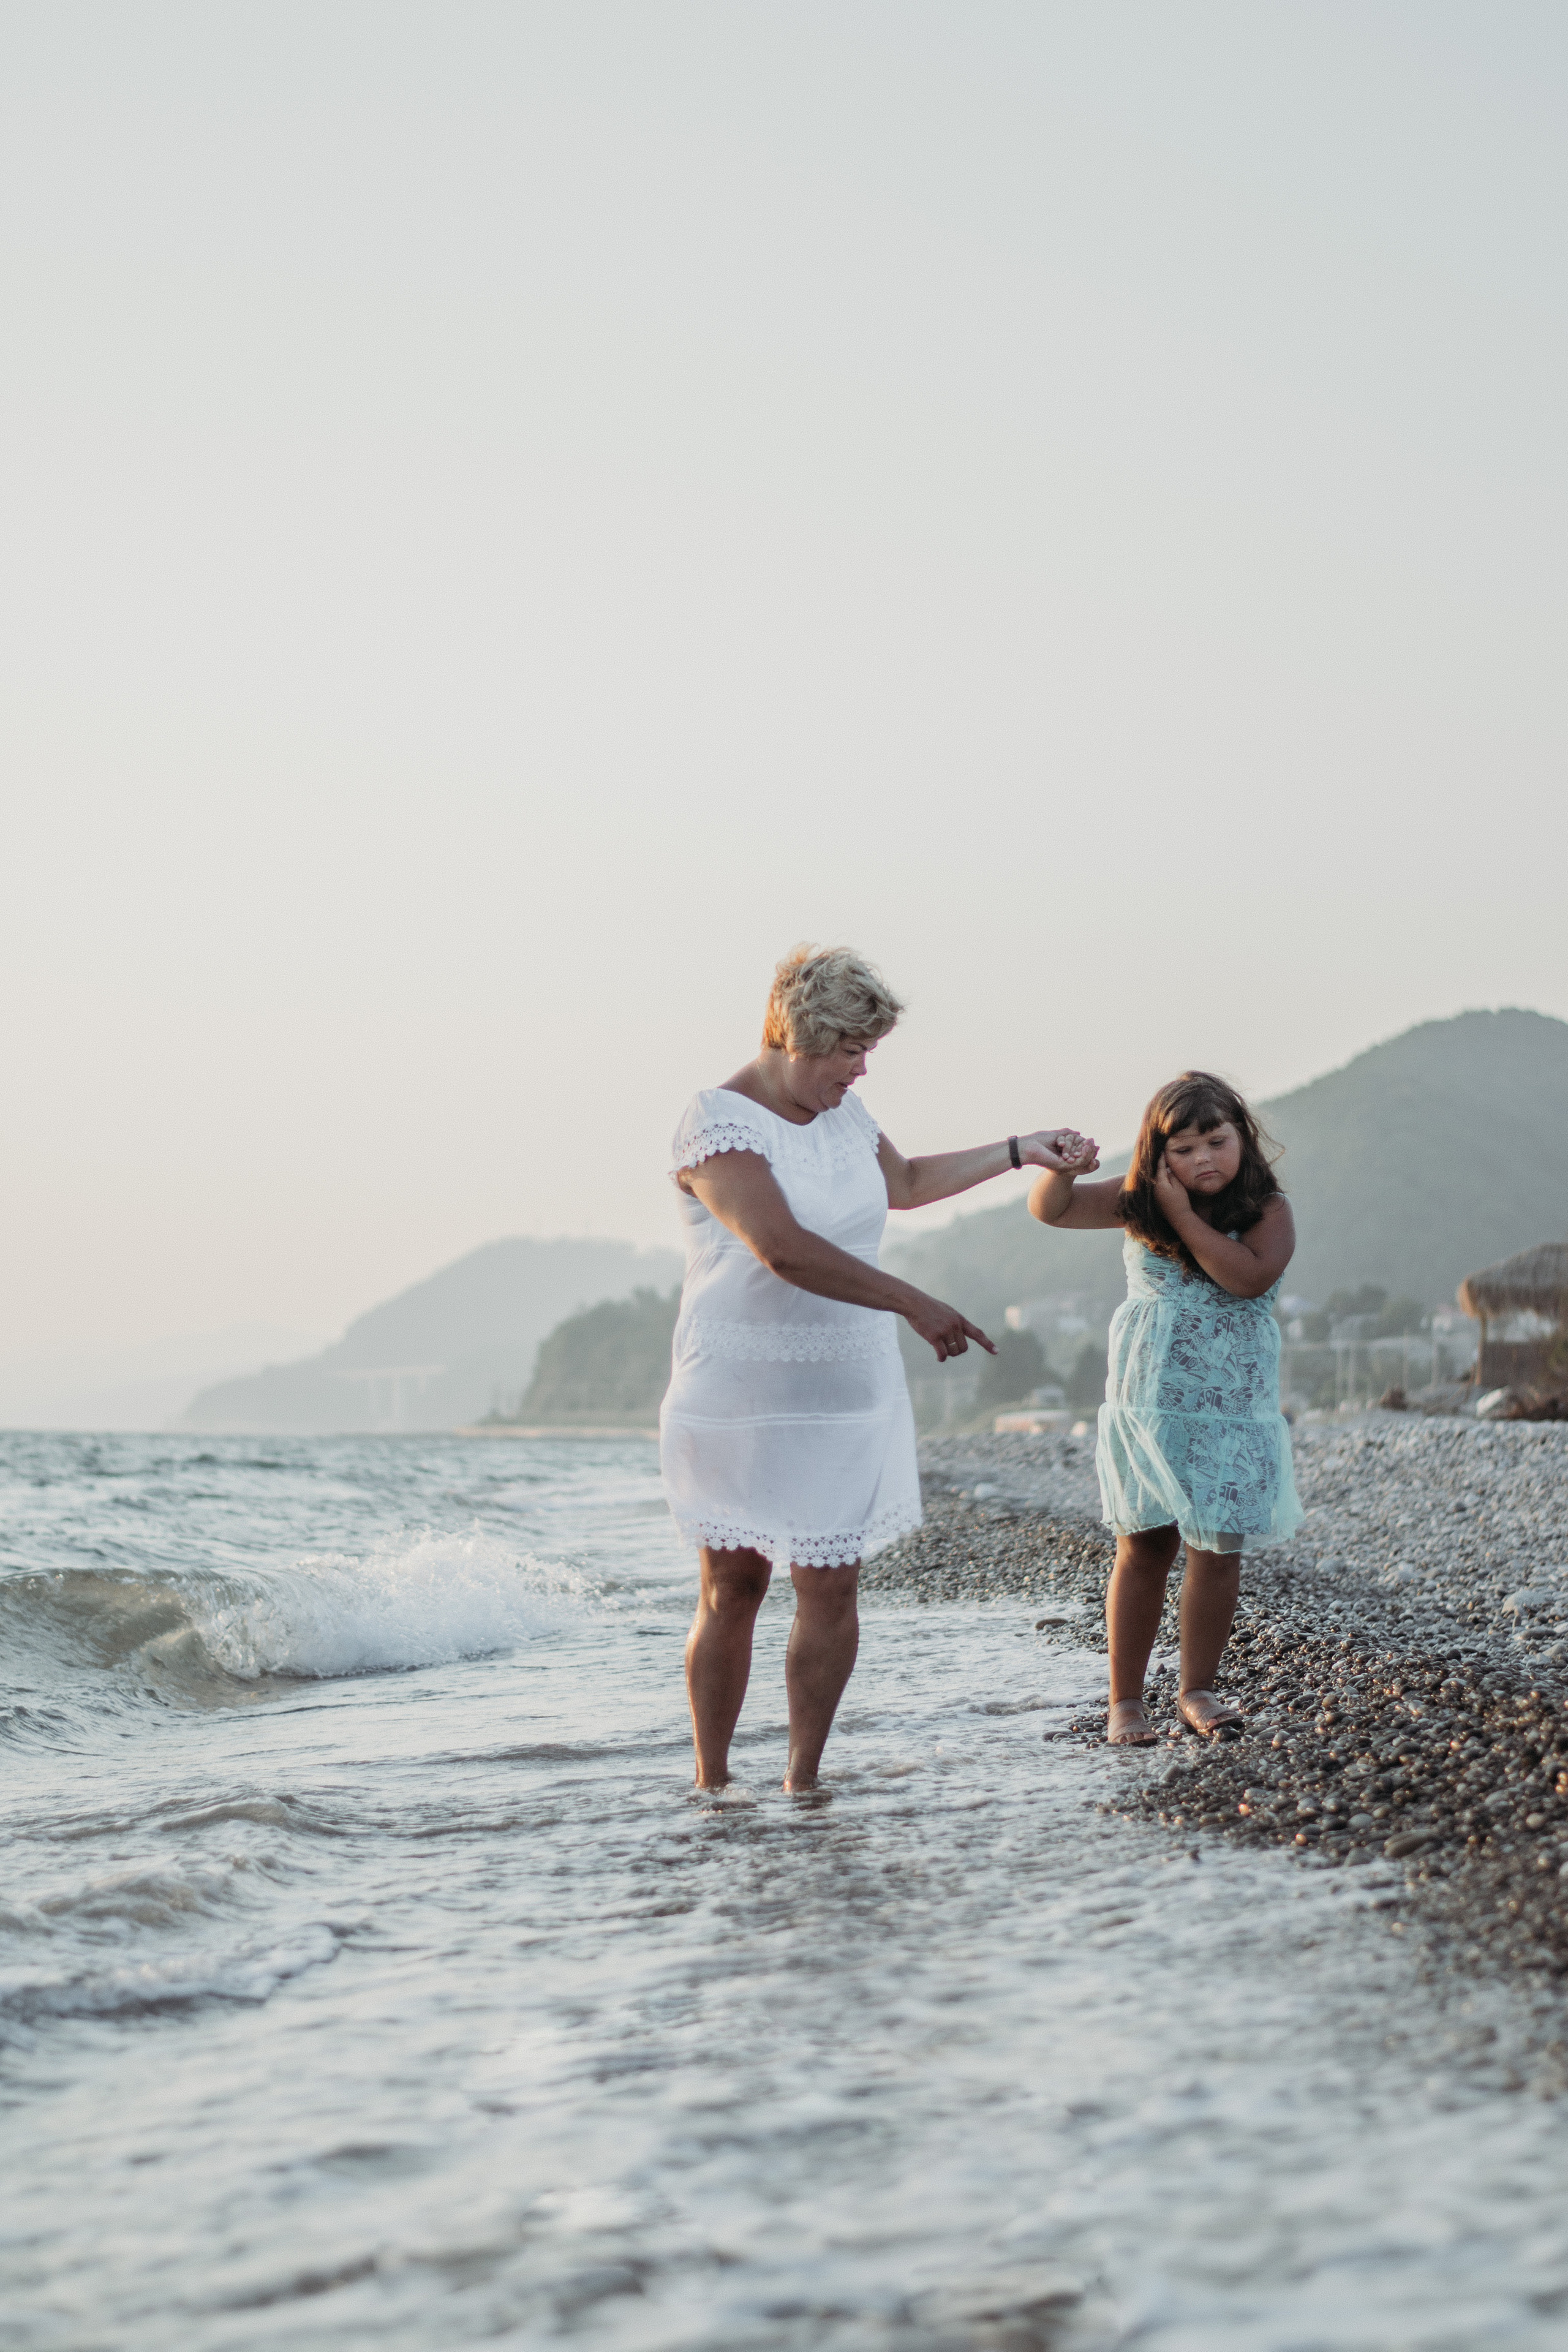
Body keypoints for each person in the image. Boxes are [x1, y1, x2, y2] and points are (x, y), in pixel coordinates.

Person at [662, 943, 1095, 1792]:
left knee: (832, 1585)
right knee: (734, 1587)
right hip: (738, 1393)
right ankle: (713, 1789)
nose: (861, 1070)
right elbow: (781, 1247)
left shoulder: (845, 1116)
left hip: (845, 1392)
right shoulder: (715, 1121)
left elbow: (905, 1181)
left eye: (867, 1051)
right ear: (797, 1037)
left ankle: (803, 1784)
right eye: (850, 1050)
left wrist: (1022, 1150)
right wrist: (912, 1301)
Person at [1028, 1071, 1302, 1745]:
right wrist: (1061, 1172)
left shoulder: (1268, 1209)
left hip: (1229, 1411)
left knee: (1218, 1548)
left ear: (1243, 1137)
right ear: (1158, 1155)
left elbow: (1248, 1278)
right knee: (1144, 1546)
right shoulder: (1137, 1201)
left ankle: (1196, 1689)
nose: (1203, 1158)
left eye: (1216, 1141)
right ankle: (1124, 1701)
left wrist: (1182, 1217)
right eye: (1183, 1149)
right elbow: (1051, 1211)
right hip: (1150, 1408)